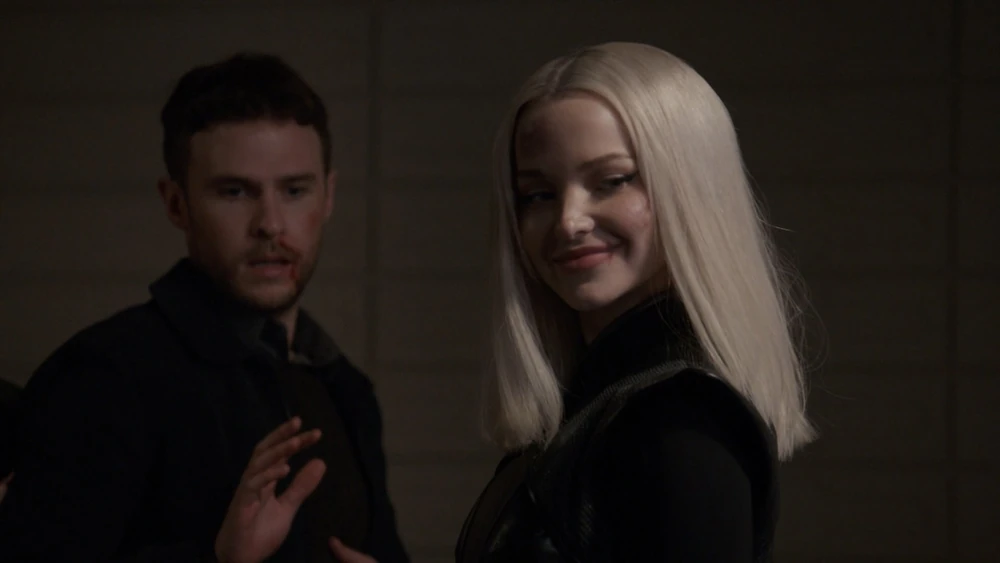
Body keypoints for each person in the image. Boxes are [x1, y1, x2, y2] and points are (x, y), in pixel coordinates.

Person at [0, 53, 408, 563]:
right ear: (177, 204)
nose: (270, 223)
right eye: (234, 191)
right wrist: (217, 559)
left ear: (328, 196)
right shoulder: (106, 374)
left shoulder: (346, 389)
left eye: (295, 190)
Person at [455, 42, 816, 562]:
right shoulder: (607, 401)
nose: (569, 220)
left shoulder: (681, 422)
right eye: (538, 194)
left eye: (611, 181)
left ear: (690, 189)